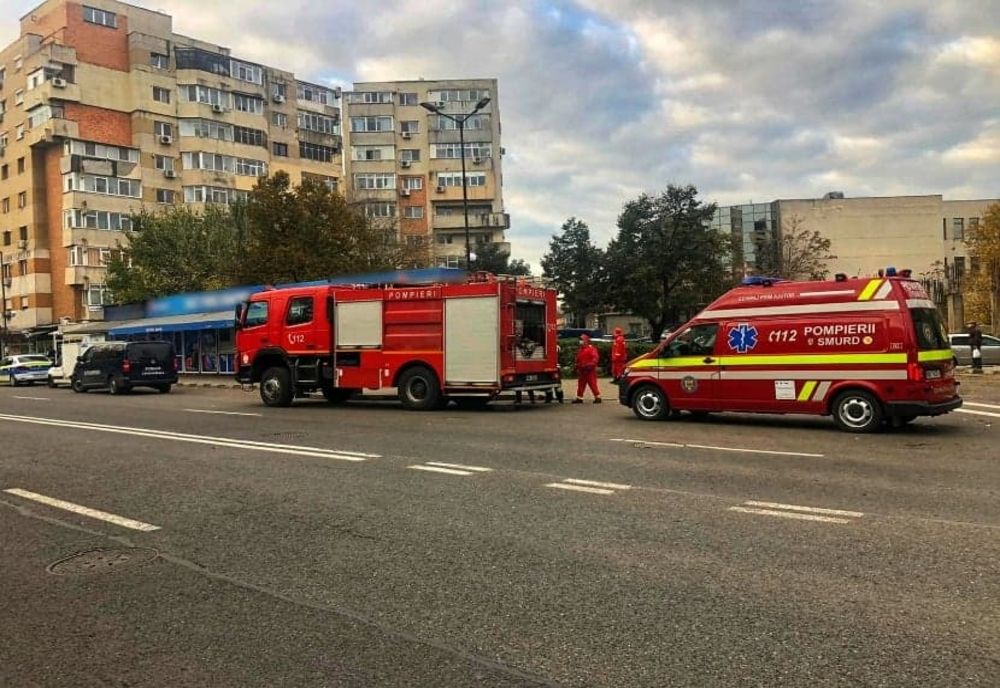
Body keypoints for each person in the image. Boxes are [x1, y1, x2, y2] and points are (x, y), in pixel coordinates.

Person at [573, 334, 601, 404]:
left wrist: (590, 365)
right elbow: (578, 359)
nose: (580, 341)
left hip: (589, 370)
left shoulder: (591, 349)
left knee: (592, 384)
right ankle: (579, 398)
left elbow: (595, 358)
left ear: (585, 341)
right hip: (582, 370)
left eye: (581, 340)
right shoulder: (581, 350)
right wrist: (576, 366)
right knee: (581, 384)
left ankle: (597, 397)